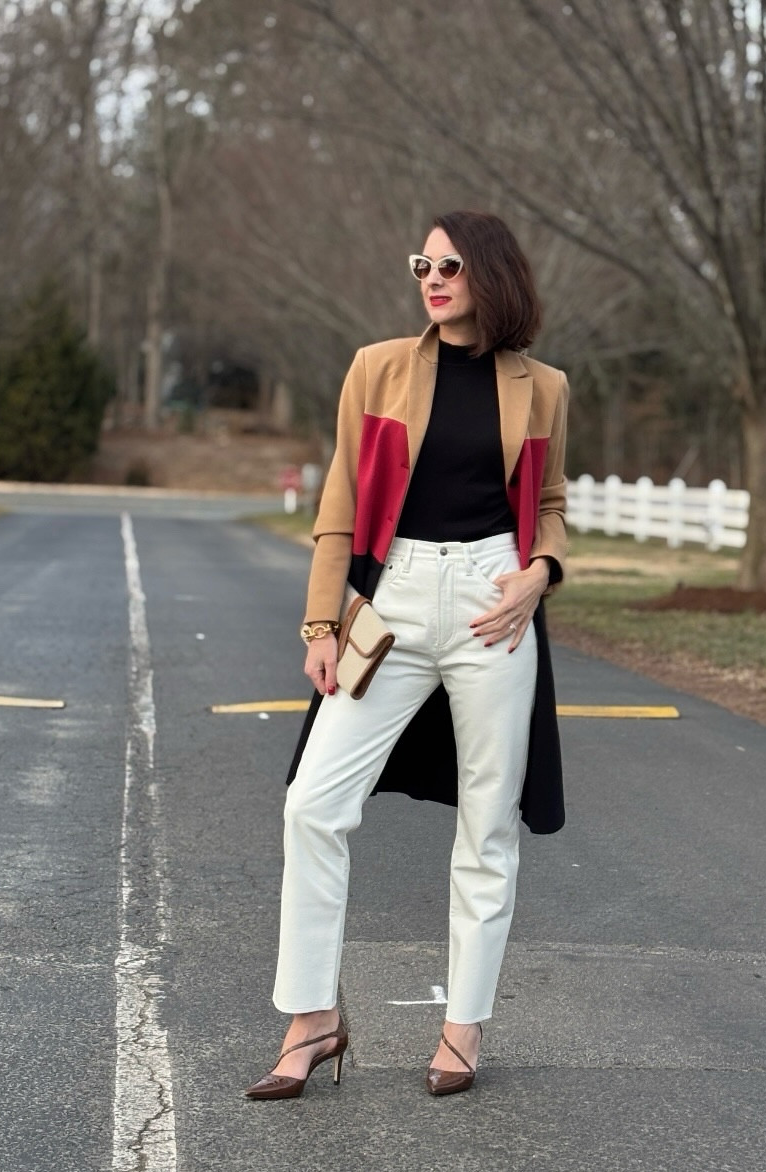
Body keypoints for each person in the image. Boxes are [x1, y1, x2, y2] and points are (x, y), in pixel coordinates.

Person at [245, 210, 569, 1101]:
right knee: (313, 803)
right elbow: (342, 496)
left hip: (491, 602)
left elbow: (553, 504)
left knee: (488, 824)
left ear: (491, 275)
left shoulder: (542, 386)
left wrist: (539, 573)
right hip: (388, 601)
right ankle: (313, 1019)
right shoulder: (377, 368)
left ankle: (461, 1026)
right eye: (422, 263)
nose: (431, 277)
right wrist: (321, 624)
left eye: (450, 265)